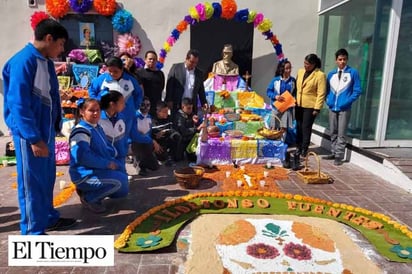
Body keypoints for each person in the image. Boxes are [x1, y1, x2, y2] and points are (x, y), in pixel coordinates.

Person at [2, 18, 76, 234]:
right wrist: (33, 138)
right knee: (32, 184)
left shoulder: (44, 60)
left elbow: (52, 95)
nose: (61, 49)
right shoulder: (23, 62)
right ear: (48, 38)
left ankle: (48, 217)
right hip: (30, 136)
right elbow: (18, 105)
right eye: (61, 44)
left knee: (46, 179)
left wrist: (55, 125)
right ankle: (33, 232)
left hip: (46, 132)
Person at [69, 98, 128, 213]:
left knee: (123, 185)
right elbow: (83, 156)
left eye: (98, 110)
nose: (96, 113)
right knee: (119, 182)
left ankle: (90, 191)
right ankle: (89, 198)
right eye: (91, 110)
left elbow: (105, 147)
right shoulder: (81, 131)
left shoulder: (96, 127)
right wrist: (107, 164)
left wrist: (114, 157)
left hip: (97, 170)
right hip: (85, 174)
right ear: (82, 112)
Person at [324, 48, 362, 166]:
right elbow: (326, 90)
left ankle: (339, 156)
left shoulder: (353, 73)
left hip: (344, 109)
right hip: (332, 107)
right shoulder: (331, 74)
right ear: (336, 60)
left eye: (344, 59)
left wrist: (347, 102)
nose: (342, 62)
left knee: (341, 132)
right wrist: (328, 101)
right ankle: (333, 152)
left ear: (347, 60)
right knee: (333, 131)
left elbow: (357, 90)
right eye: (340, 59)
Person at [294, 53, 326, 169]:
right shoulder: (300, 71)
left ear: (313, 64)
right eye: (304, 63)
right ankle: (298, 145)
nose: (305, 66)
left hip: (310, 105)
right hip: (299, 103)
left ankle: (304, 148)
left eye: (308, 64)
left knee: (306, 127)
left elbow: (321, 93)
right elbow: (296, 87)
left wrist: (317, 108)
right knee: (298, 125)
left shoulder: (320, 75)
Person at [89, 56, 143, 122]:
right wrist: (99, 104)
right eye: (110, 71)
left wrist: (133, 107)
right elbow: (92, 92)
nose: (112, 74)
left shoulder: (131, 80)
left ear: (122, 69)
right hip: (106, 117)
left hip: (127, 116)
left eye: (116, 71)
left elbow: (139, 94)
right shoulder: (102, 79)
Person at [99, 89, 139, 173]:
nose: (124, 105)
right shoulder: (98, 120)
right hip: (103, 158)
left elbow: (124, 138)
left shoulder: (122, 117)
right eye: (122, 102)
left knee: (123, 180)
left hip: (119, 157)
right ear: (112, 104)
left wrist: (124, 151)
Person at [266, 59, 296, 168]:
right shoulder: (275, 80)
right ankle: (272, 146)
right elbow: (268, 91)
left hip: (287, 108)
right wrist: (276, 96)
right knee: (274, 126)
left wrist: (294, 100)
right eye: (287, 68)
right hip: (276, 107)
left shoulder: (293, 81)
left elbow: (296, 93)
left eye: (290, 68)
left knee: (284, 128)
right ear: (282, 69)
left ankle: (281, 147)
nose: (289, 70)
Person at [165, 49, 208, 119]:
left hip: (191, 106)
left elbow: (201, 90)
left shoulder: (199, 73)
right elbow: (170, 85)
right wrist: (169, 100)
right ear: (186, 59)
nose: (193, 65)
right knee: (177, 125)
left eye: (196, 63)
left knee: (191, 126)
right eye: (192, 62)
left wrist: (204, 102)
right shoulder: (176, 68)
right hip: (177, 104)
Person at [132, 97, 162, 176]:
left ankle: (143, 160)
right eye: (143, 105)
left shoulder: (149, 117)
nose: (145, 107)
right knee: (141, 144)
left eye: (148, 105)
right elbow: (136, 136)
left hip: (146, 143)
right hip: (134, 143)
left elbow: (149, 132)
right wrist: (152, 141)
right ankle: (138, 164)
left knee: (155, 167)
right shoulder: (134, 117)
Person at [152, 101, 183, 165]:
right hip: (157, 144)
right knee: (161, 158)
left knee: (176, 136)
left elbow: (174, 130)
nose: (166, 113)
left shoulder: (169, 118)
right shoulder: (152, 122)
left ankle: (172, 155)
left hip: (167, 141)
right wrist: (155, 142)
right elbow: (148, 135)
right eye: (164, 112)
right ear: (158, 112)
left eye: (167, 111)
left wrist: (165, 131)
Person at [136, 50, 165, 117]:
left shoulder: (160, 74)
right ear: (145, 60)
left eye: (154, 59)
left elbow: (161, 87)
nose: (152, 61)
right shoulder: (139, 72)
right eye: (150, 59)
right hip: (143, 105)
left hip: (156, 105)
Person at [174, 97, 203, 162]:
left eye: (191, 108)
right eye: (188, 108)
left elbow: (196, 127)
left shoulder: (190, 114)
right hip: (182, 141)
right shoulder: (179, 116)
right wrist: (197, 128)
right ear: (183, 107)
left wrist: (196, 123)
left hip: (189, 139)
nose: (190, 110)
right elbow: (183, 131)